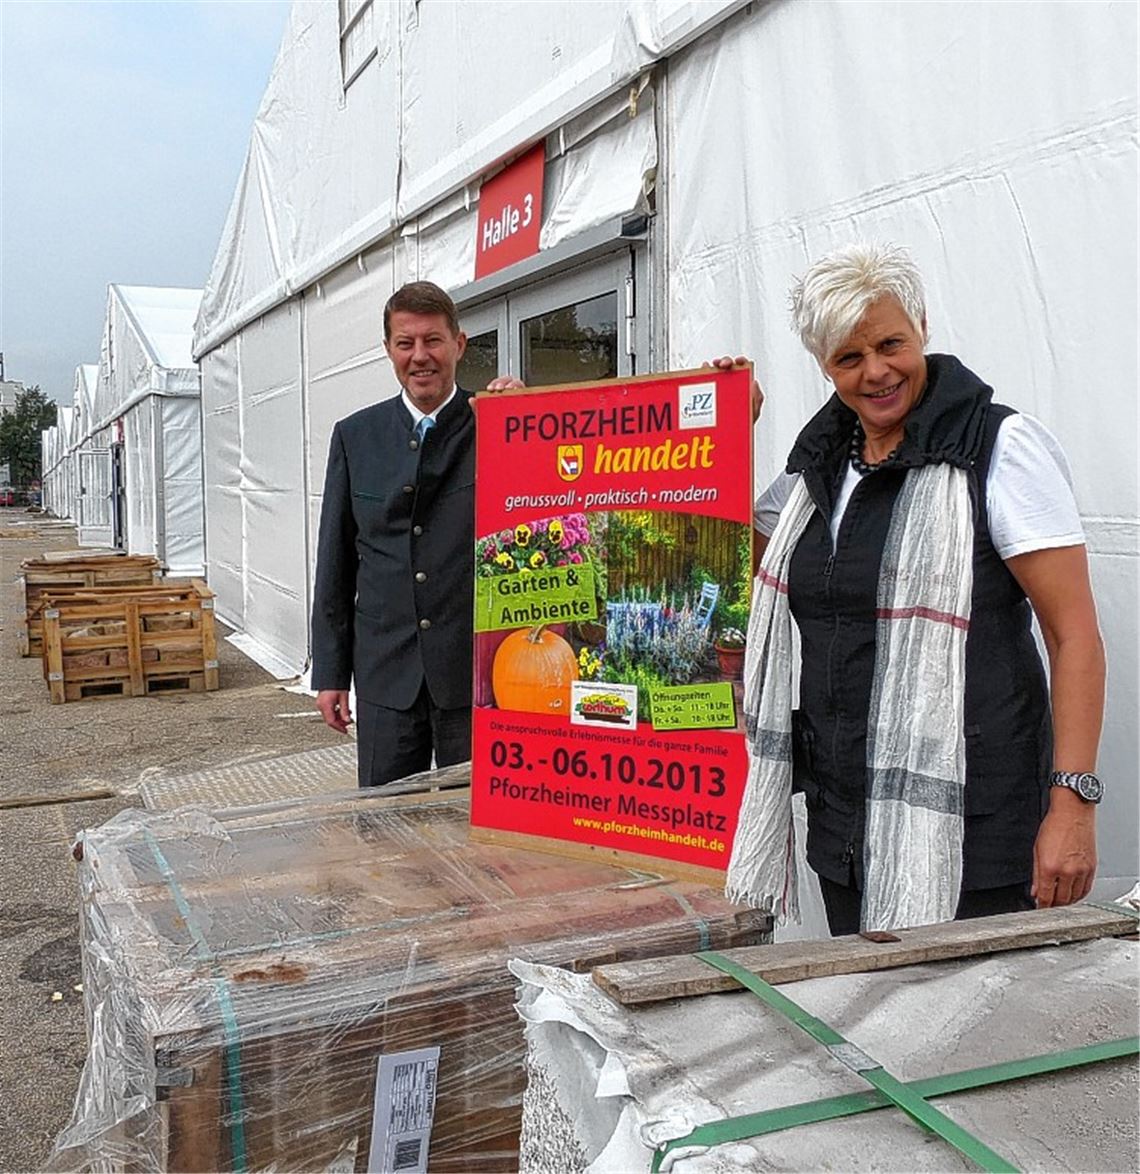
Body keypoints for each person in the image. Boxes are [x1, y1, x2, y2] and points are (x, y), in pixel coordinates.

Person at [723, 243, 1105, 934]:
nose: (876, 371)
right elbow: (725, 574)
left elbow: (1073, 635)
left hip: (977, 830)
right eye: (848, 357)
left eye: (890, 343)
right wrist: (723, 431)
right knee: (866, 1029)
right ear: (823, 365)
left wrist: (1072, 805)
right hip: (844, 829)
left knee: (973, 1034)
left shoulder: (999, 449)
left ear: (921, 326)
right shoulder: (813, 476)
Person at [311, 281, 521, 786]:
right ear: (388, 350)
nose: (420, 356)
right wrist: (331, 674)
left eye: (433, 341)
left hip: (473, 673)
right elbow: (335, 561)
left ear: (459, 344)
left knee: (473, 832)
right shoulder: (355, 436)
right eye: (405, 344)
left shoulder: (497, 424)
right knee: (383, 832)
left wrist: (528, 419)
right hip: (386, 673)